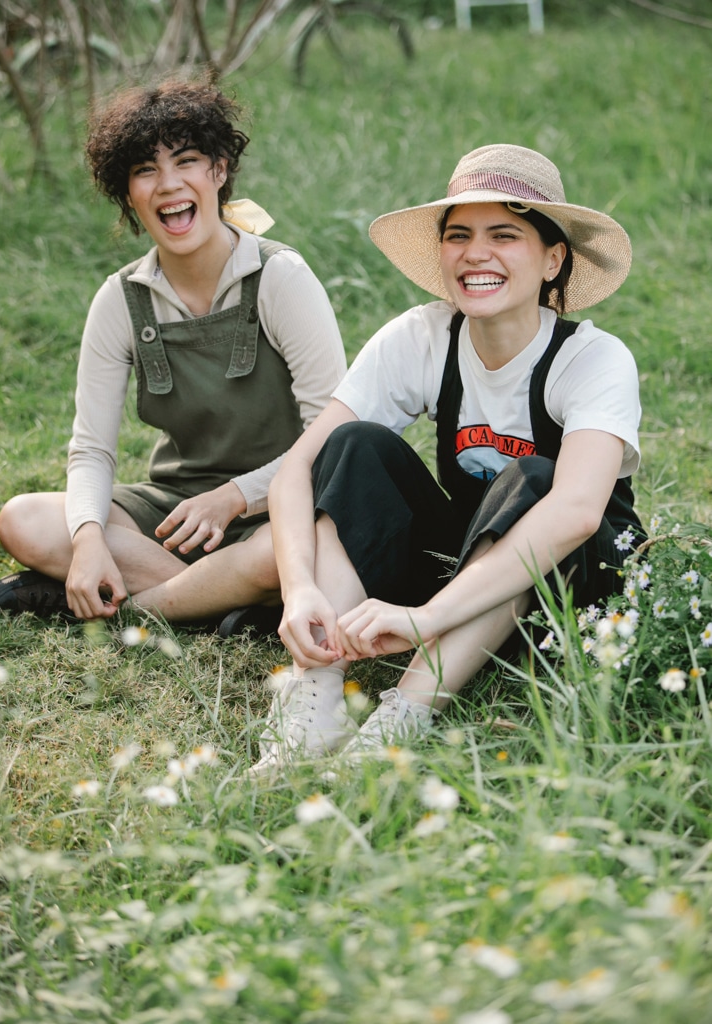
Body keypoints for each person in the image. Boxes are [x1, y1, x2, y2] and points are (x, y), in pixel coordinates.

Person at [255, 142, 645, 772]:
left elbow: (575, 513)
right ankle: (317, 697)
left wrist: (425, 618)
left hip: (574, 593)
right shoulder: (424, 336)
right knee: (354, 446)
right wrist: (298, 591)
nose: (476, 253)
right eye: (458, 234)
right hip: (468, 577)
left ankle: (400, 718)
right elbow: (298, 467)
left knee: (538, 478)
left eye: (504, 235)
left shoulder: (593, 359)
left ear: (553, 259)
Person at [0, 79, 346, 632]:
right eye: (145, 170)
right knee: (26, 520)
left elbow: (332, 438)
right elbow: (92, 451)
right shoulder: (120, 298)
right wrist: (85, 541)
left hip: (278, 502)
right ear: (127, 192)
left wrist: (234, 497)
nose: (168, 185)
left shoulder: (279, 278)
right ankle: (222, 604)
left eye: (187, 161)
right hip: (172, 509)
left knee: (287, 551)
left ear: (220, 171)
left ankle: (137, 608)